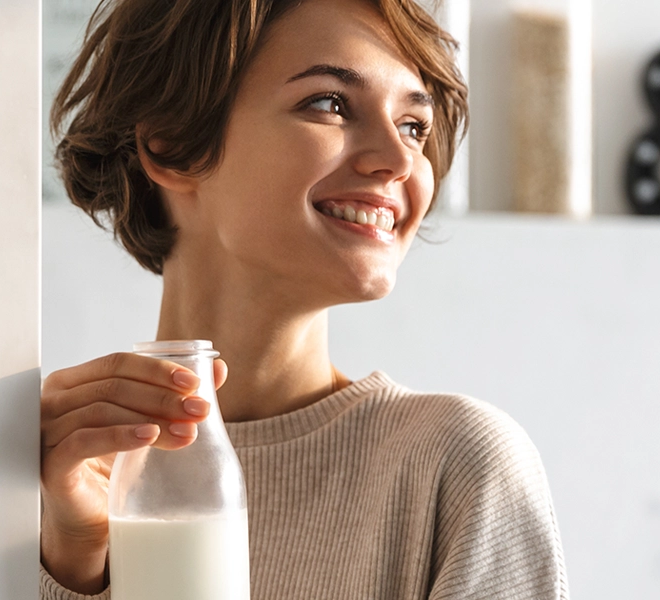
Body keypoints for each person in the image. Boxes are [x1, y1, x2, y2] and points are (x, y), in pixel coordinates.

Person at [38, 0, 568, 597]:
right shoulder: (52, 476)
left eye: (414, 126)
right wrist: (76, 567)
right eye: (331, 103)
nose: (399, 161)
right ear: (172, 145)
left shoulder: (457, 467)